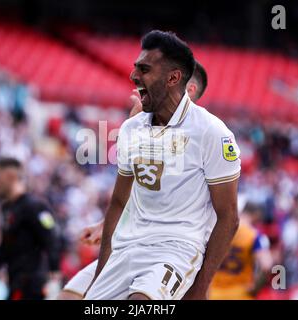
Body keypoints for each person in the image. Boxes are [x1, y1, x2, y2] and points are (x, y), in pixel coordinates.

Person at [83, 30, 240, 300]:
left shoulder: (212, 132)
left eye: (144, 69)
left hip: (177, 249)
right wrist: (100, 277)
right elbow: (119, 203)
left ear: (173, 78)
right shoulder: (131, 129)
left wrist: (199, 289)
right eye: (135, 68)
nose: (133, 76)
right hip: (128, 248)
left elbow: (229, 217)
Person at [58, 61, 209, 300]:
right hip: (129, 247)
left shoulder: (201, 137)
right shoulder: (142, 126)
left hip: (169, 253)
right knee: (69, 296)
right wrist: (105, 223)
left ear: (187, 90)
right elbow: (136, 191)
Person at [0, 157, 62, 300]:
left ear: (11, 177)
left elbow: (53, 238)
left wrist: (54, 278)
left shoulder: (33, 206)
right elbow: (3, 252)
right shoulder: (9, 209)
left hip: (32, 287)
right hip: (16, 285)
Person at [208, 202, 274, 300]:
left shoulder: (217, 230)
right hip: (240, 293)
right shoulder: (254, 236)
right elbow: (267, 266)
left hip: (214, 293)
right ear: (256, 215)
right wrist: (256, 288)